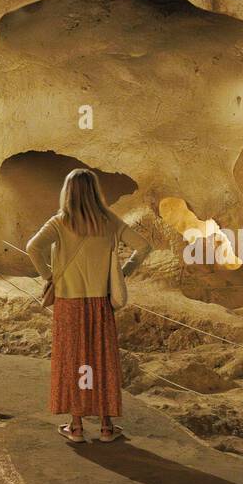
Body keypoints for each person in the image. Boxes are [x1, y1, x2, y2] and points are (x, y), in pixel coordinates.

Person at [25, 169, 151, 443]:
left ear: (68, 193)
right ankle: (106, 427)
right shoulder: (109, 222)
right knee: (100, 361)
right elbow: (143, 246)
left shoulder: (60, 223)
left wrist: (49, 277)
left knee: (73, 361)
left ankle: (77, 427)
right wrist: (124, 272)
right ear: (95, 191)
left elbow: (32, 248)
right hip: (100, 303)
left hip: (68, 304)